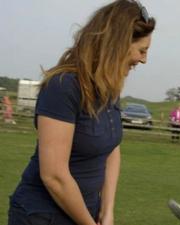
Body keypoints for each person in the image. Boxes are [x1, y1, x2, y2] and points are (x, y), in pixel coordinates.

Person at [8, 1, 155, 225]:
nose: (144, 59)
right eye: (142, 50)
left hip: (87, 212)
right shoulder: (64, 87)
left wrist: (107, 211)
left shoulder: (109, 91)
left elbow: (111, 149)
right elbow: (54, 176)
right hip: (42, 215)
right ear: (117, 45)